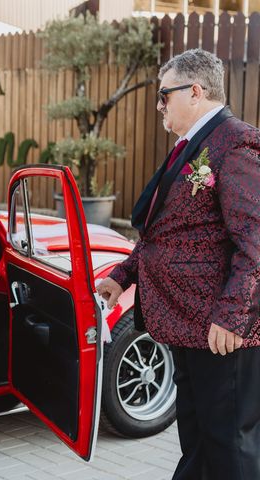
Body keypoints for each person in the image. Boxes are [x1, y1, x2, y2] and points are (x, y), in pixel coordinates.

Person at [97, 49, 260, 480]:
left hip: (223, 332)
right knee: (197, 436)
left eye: (164, 95)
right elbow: (164, 230)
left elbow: (255, 243)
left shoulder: (236, 143)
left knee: (230, 445)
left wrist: (230, 317)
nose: (159, 105)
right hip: (187, 324)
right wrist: (122, 274)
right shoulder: (189, 147)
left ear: (195, 91)